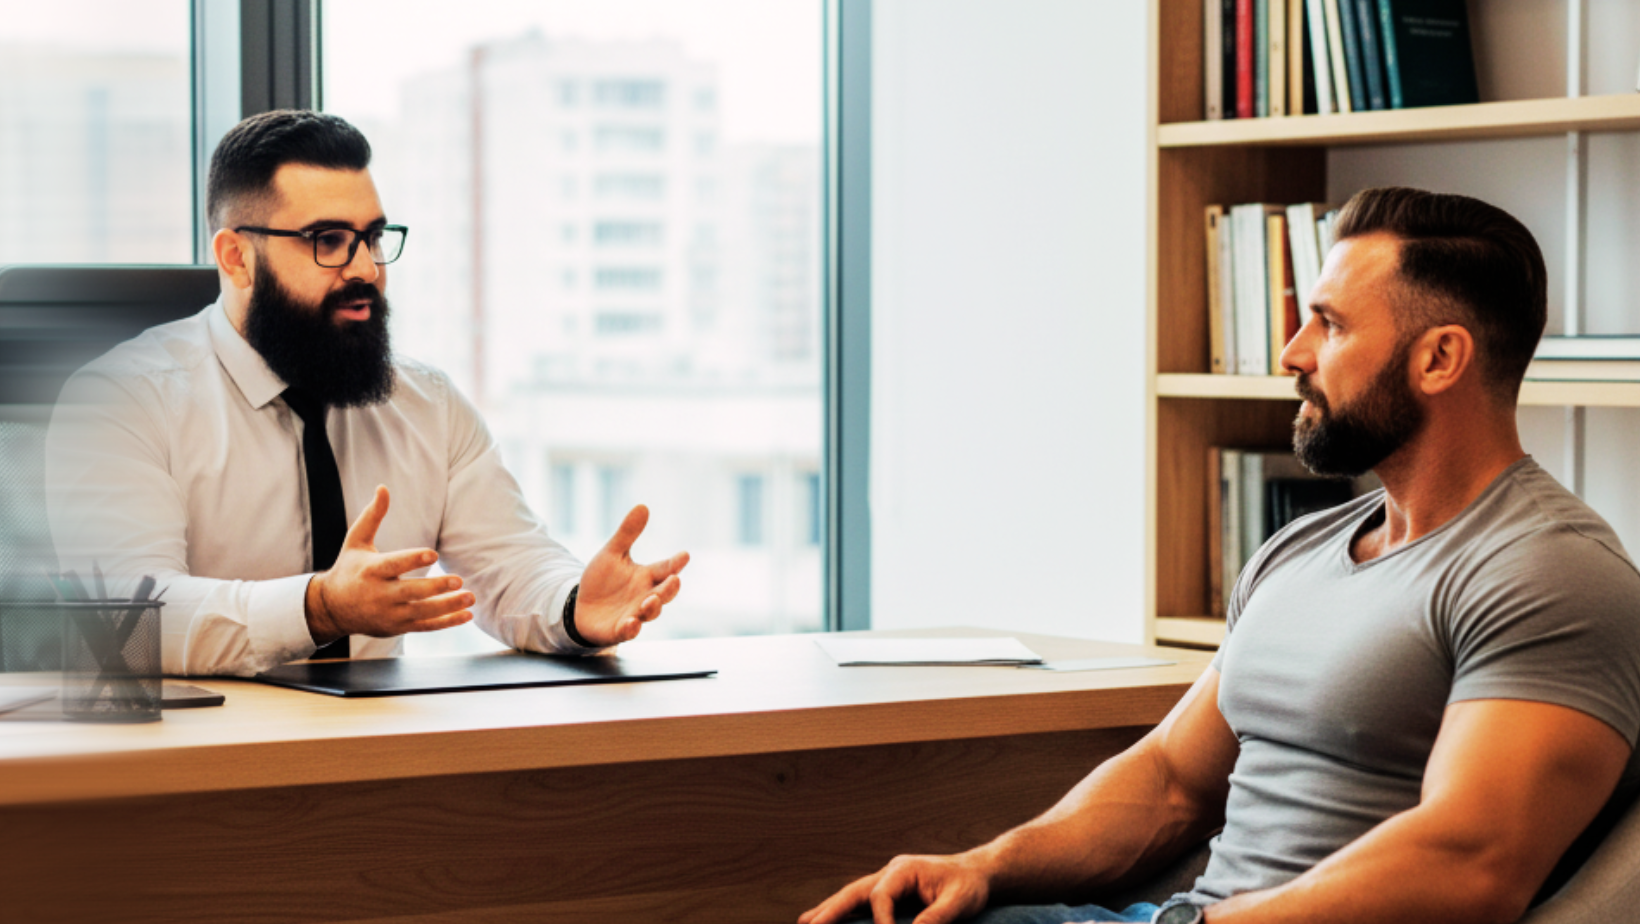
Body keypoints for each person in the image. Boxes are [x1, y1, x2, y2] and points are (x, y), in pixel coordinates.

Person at [800, 187, 1640, 924]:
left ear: (1439, 358)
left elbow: (1472, 866)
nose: (1292, 353)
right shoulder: (1297, 552)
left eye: (1331, 324)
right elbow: (1170, 780)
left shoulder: (1549, 573)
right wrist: (984, 865)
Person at [45, 110, 689, 676]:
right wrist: (318, 608)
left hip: (378, 763)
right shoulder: (121, 400)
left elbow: (510, 568)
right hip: (200, 767)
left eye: (373, 238)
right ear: (236, 258)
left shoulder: (427, 404)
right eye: (328, 241)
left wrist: (577, 608)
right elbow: (128, 624)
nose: (364, 269)